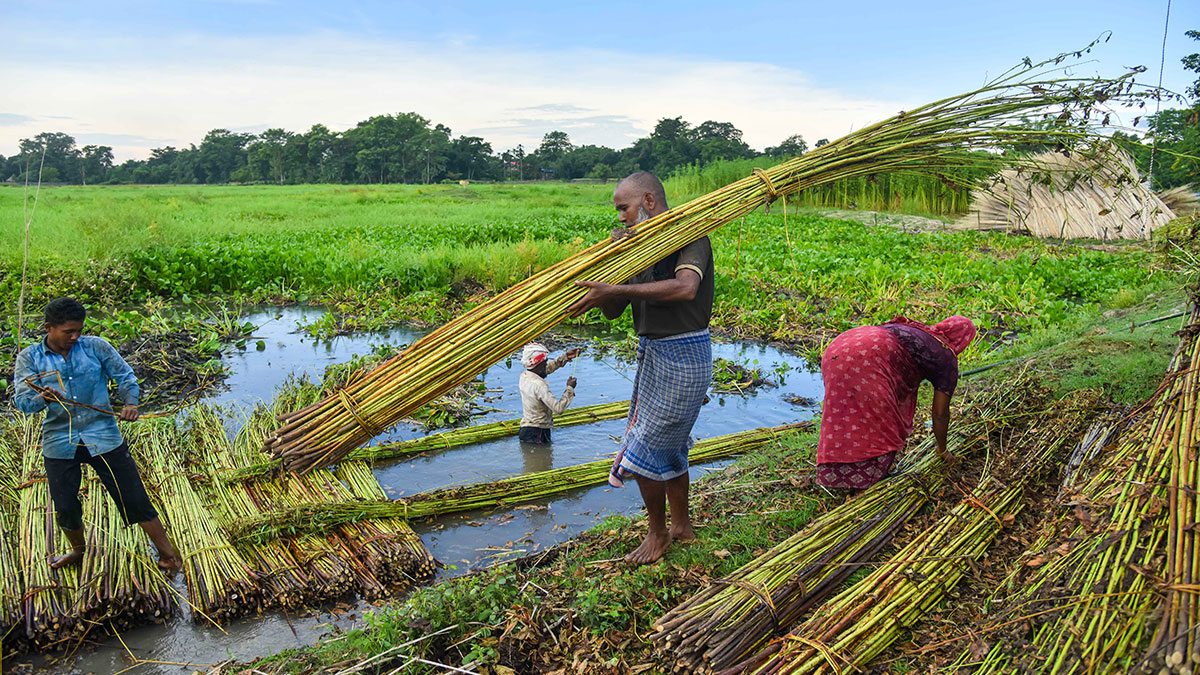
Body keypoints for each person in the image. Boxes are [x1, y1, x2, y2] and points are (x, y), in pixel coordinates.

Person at [568, 171, 714, 565]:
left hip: (685, 355)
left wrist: (616, 288)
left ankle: (658, 534)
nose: (620, 217)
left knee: (646, 446)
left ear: (649, 201)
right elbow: (616, 309)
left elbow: (685, 288)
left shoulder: (691, 235)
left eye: (624, 208)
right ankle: (681, 526)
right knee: (671, 447)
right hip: (654, 354)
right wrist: (609, 274)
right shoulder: (638, 249)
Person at [13, 298, 181, 571]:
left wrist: (130, 403)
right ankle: (78, 552)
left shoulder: (95, 347)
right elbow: (23, 403)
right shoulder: (30, 358)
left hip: (103, 434)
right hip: (59, 440)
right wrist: (42, 397)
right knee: (65, 505)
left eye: (79, 330)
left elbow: (125, 376)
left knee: (134, 497)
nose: (75, 336)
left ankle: (168, 555)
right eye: (68, 332)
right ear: (49, 328)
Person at [815, 315, 977, 490]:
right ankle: (866, 481)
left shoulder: (921, 330)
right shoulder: (947, 356)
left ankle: (835, 475)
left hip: (840, 346)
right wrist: (942, 449)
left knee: (842, 412)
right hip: (870, 356)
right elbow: (940, 413)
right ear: (962, 340)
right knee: (884, 423)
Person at [518, 343, 581, 444]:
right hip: (537, 433)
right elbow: (558, 409)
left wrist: (565, 357)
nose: (546, 366)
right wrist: (570, 388)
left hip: (526, 430)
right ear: (539, 365)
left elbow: (545, 369)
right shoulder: (539, 385)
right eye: (544, 363)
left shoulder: (525, 376)